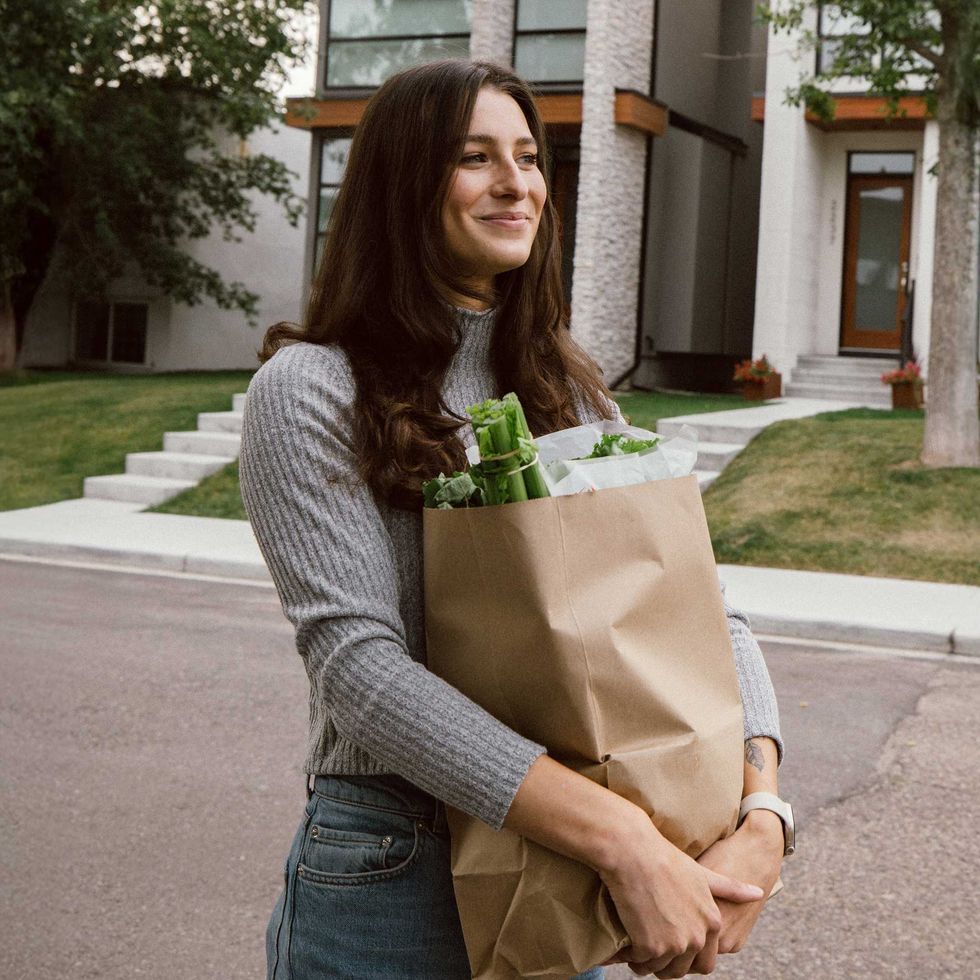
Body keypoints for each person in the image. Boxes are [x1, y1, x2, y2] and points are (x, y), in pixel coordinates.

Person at [239, 59, 786, 980]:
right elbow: (359, 670)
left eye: (529, 157)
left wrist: (765, 812)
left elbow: (699, 611)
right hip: (394, 871)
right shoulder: (310, 391)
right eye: (473, 157)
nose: (516, 182)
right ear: (403, 185)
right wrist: (623, 840)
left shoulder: (565, 391)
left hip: (567, 861)